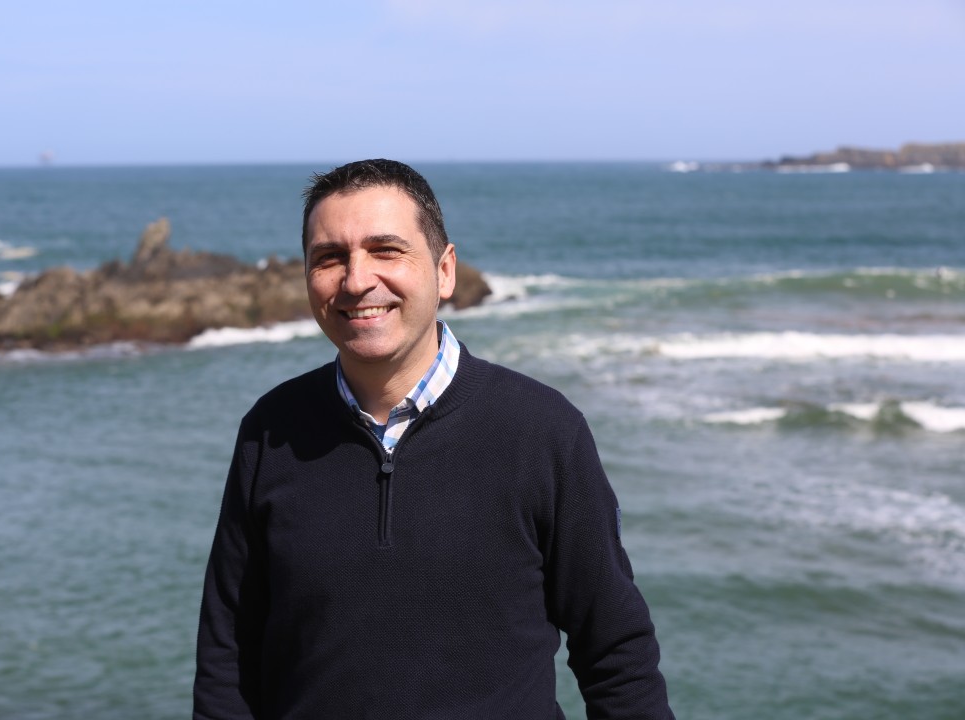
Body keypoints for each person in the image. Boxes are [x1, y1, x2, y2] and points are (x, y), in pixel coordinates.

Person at [193, 159, 674, 719]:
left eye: (386, 251)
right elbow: (228, 658)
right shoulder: (270, 431)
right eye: (330, 258)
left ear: (445, 271)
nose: (356, 280)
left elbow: (616, 655)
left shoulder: (543, 431)